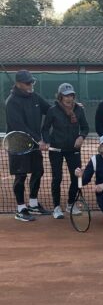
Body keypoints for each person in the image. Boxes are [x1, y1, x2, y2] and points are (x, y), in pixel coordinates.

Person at [5, 70, 51, 221]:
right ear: (18, 84)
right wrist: (40, 140)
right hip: (18, 143)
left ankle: (33, 203)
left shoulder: (35, 97)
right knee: (21, 175)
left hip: (34, 143)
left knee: (38, 171)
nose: (31, 85)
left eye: (32, 82)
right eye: (27, 83)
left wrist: (69, 106)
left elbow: (50, 109)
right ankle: (21, 209)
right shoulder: (11, 102)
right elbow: (20, 126)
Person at [41, 83, 89, 219]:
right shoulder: (52, 110)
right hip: (56, 149)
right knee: (57, 178)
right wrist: (47, 141)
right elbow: (45, 128)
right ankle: (56, 207)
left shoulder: (79, 110)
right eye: (66, 95)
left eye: (71, 95)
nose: (69, 98)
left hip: (73, 149)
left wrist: (81, 136)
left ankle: (70, 204)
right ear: (60, 96)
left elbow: (85, 127)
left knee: (76, 177)